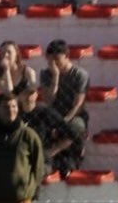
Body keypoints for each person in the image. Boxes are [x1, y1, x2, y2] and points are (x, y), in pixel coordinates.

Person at [38, 39, 89, 167]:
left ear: (67, 57)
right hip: (53, 113)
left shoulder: (79, 75)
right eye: (51, 60)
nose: (54, 63)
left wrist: (63, 122)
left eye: (57, 59)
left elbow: (78, 105)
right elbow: (49, 100)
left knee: (76, 126)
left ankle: (51, 153)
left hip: (73, 114)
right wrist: (55, 77)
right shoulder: (46, 74)